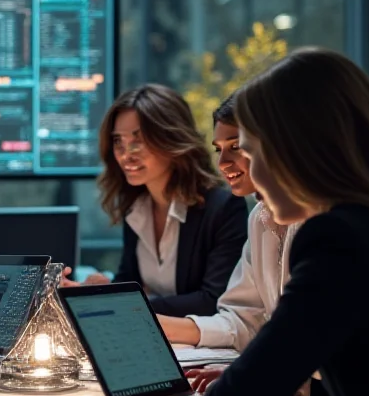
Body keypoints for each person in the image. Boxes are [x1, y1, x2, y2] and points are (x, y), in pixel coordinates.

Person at [203, 48, 369, 396]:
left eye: (251, 152)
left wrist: (262, 389)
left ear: (295, 149)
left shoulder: (337, 241)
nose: (249, 173)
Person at [63, 84, 248, 318]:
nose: (125, 153)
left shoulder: (223, 208)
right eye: (118, 141)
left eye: (138, 140)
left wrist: (123, 302)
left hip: (205, 348)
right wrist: (96, 291)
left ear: (171, 139)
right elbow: (130, 283)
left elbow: (212, 300)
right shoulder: (137, 208)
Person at [157, 95, 302, 350]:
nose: (222, 163)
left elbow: (306, 334)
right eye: (218, 149)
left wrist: (253, 373)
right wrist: (152, 325)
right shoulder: (260, 218)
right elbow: (244, 321)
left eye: (236, 147)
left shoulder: (320, 221)